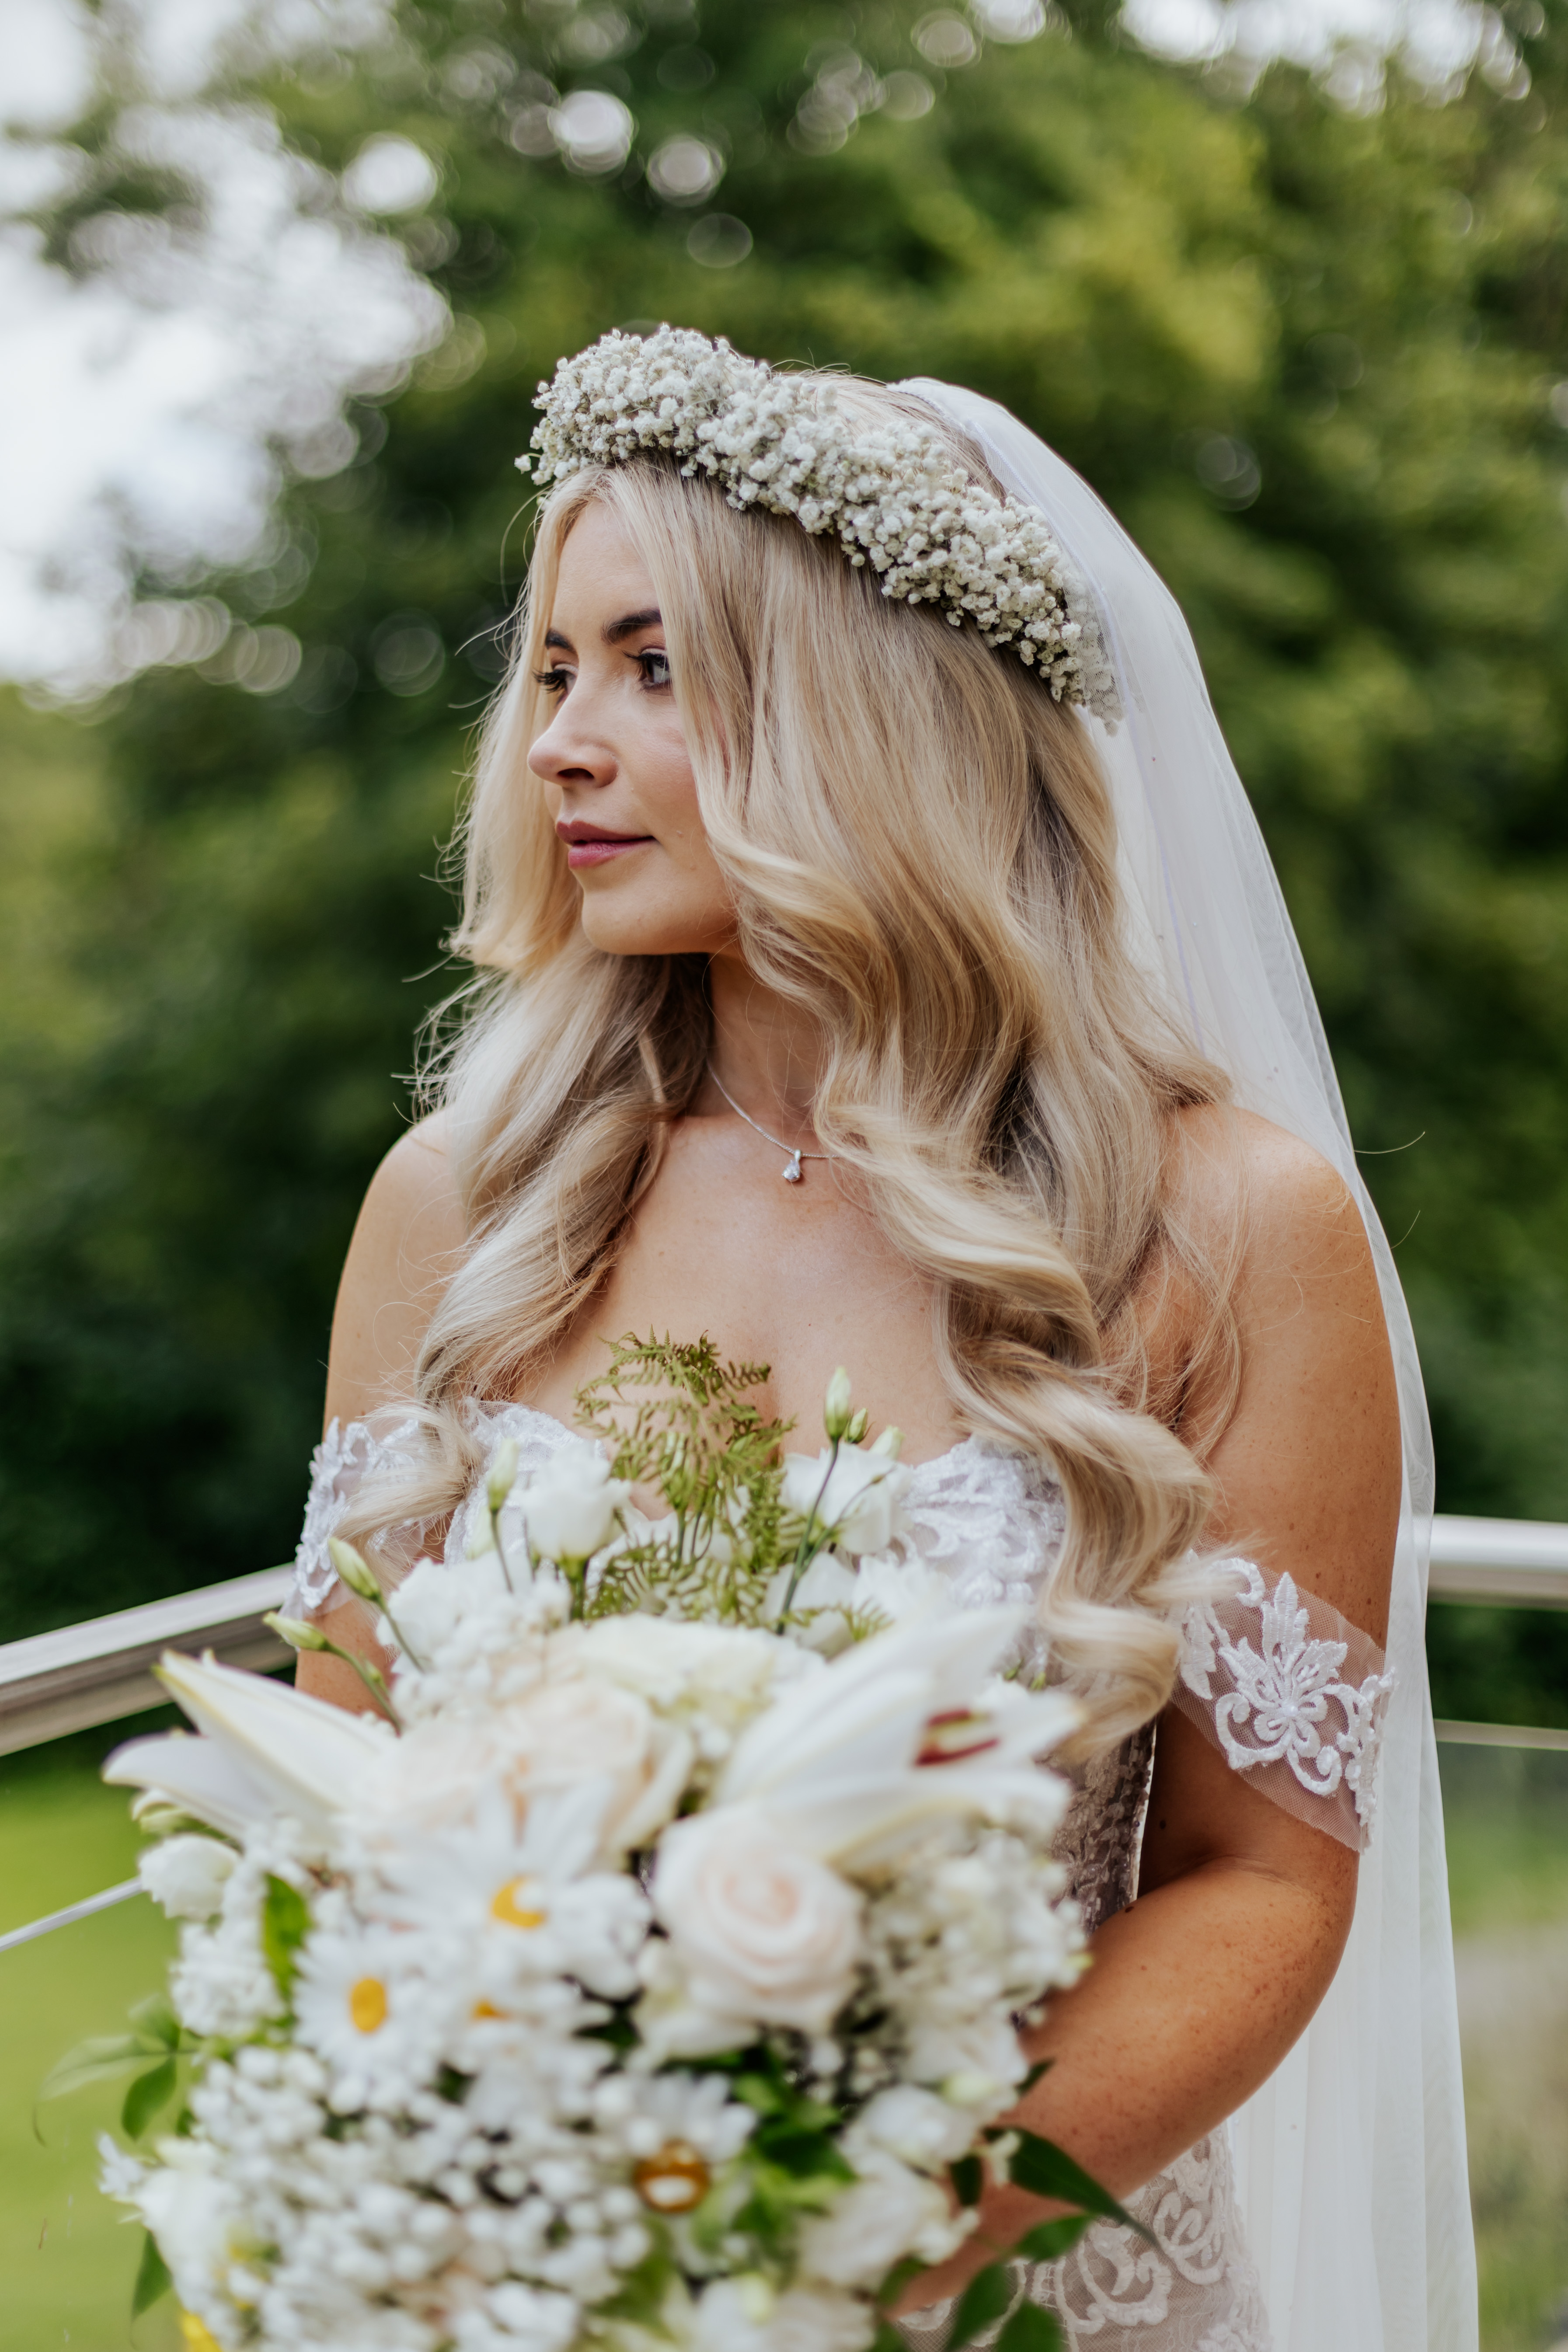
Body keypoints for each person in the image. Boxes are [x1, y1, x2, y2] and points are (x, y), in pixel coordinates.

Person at [288, 329, 1475, 2352]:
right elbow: (341, 1775)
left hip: (1002, 2284)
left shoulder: (1235, 1228)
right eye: (558, 669)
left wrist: (848, 2239)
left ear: (877, 711)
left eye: (656, 669)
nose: (562, 740)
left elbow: (1257, 1879)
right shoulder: (457, 1205)